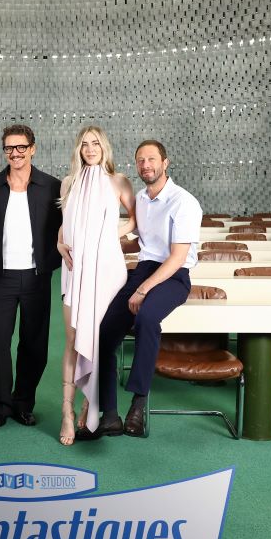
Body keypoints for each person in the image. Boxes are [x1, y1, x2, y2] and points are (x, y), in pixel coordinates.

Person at [97, 140, 202, 437]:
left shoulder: (184, 202)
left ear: (165, 163)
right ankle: (110, 414)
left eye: (152, 159)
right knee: (104, 333)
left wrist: (143, 289)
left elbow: (177, 257)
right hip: (144, 269)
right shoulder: (141, 199)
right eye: (141, 160)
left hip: (174, 275)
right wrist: (104, 243)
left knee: (146, 318)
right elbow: (142, 242)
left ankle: (138, 404)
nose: (146, 165)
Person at [0, 125, 62, 429]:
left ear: (33, 148)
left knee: (34, 344)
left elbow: (71, 226)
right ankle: (0, 405)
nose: (15, 153)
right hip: (3, 276)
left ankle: (23, 403)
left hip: (37, 277)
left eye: (21, 147)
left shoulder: (52, 187)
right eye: (9, 148)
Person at [57, 126, 136, 445]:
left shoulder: (119, 181)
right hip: (75, 269)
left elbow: (135, 221)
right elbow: (65, 226)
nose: (90, 149)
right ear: (78, 149)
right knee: (73, 337)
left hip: (106, 269)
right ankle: (66, 411)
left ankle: (90, 405)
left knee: (98, 339)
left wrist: (105, 238)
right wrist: (60, 243)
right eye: (85, 144)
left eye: (96, 143)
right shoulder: (68, 182)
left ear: (105, 147)